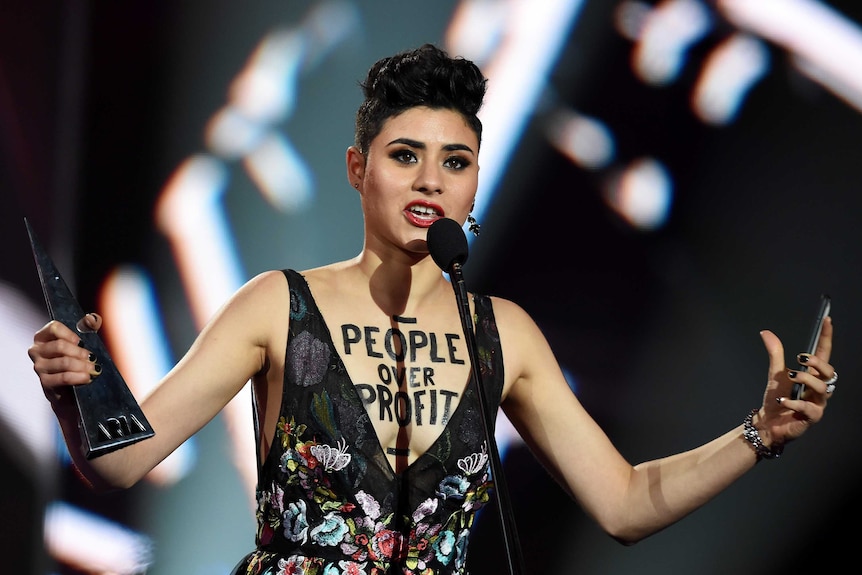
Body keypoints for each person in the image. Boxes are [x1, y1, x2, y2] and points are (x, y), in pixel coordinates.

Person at [29, 43, 836, 575]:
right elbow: (122, 461)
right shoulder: (277, 305)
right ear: (357, 167)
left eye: (455, 161)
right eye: (405, 156)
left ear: (476, 180)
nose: (430, 182)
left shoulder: (504, 334)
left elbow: (622, 503)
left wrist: (757, 436)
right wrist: (77, 388)